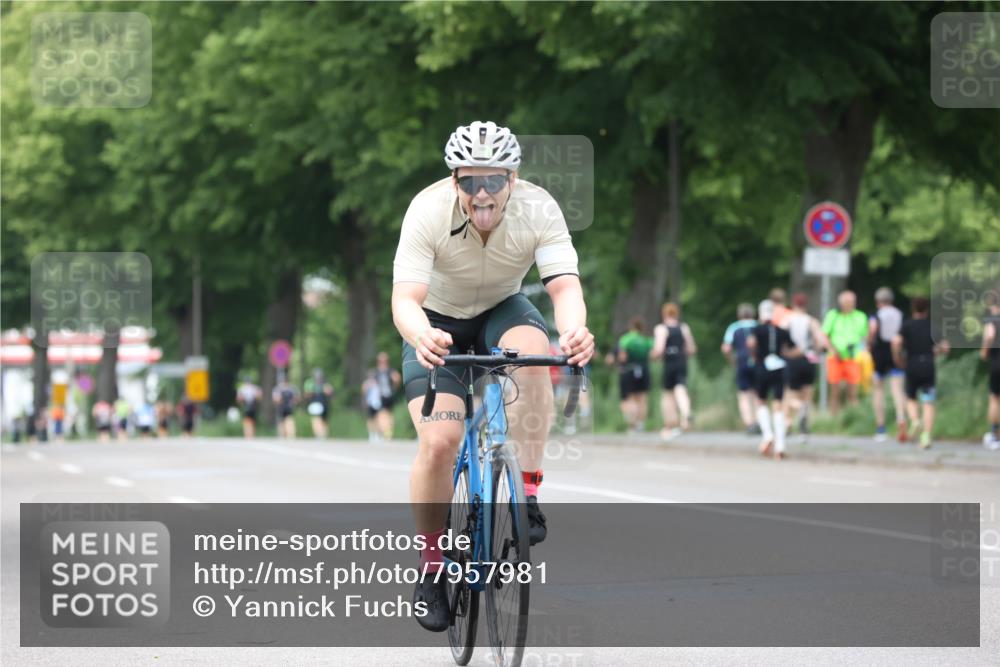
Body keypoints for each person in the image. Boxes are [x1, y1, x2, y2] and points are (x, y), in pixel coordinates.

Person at [392, 120, 593, 632]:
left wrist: (574, 332)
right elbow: (405, 299)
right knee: (440, 441)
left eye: (494, 181)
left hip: (502, 308)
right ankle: (431, 567)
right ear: (454, 180)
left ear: (513, 179)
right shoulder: (427, 210)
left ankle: (527, 493)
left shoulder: (539, 208)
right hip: (435, 321)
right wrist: (421, 335)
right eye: (470, 181)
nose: (482, 193)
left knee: (536, 354)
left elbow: (564, 287)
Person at [892, 296, 949, 449]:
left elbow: (896, 341)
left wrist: (897, 357)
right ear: (927, 309)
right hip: (928, 365)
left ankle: (915, 420)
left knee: (910, 397)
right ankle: (926, 436)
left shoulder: (907, 325)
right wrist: (936, 353)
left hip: (911, 363)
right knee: (928, 402)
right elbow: (945, 347)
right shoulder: (932, 326)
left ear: (913, 309)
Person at [747, 299, 800, 459]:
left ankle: (768, 434)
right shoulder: (781, 331)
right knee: (778, 405)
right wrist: (785, 355)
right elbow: (796, 349)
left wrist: (754, 355)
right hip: (779, 368)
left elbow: (751, 344)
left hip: (762, 367)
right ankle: (780, 445)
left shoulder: (757, 330)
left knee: (761, 401)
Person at [784, 293, 829, 436]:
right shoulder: (812, 321)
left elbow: (781, 340)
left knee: (789, 395)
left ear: (793, 304)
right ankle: (805, 425)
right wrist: (817, 351)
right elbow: (822, 342)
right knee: (807, 395)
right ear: (806, 305)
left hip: (792, 359)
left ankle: (788, 423)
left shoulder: (787, 320)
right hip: (809, 359)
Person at [651, 302, 697, 439]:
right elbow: (691, 349)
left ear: (664, 314)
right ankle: (686, 412)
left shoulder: (661, 328)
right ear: (676, 314)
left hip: (669, 362)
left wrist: (653, 355)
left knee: (667, 394)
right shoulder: (684, 328)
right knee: (681, 388)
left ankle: (670, 423)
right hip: (682, 361)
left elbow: (659, 349)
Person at [868, 287, 907, 442]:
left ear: (878, 301)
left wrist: (869, 343)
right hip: (896, 353)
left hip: (880, 354)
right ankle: (901, 418)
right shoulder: (900, 314)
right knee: (898, 390)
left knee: (878, 390)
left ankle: (881, 428)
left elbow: (872, 329)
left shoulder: (876, 315)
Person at [822, 290, 868, 414]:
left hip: (853, 357)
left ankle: (853, 417)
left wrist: (863, 352)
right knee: (835, 391)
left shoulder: (860, 316)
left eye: (851, 302)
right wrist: (832, 350)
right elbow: (824, 335)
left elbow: (864, 337)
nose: (849, 304)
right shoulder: (833, 315)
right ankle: (834, 417)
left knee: (853, 391)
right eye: (846, 302)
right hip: (835, 357)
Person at [721, 303, 760, 435]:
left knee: (744, 395)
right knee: (758, 394)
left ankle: (749, 423)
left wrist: (732, 360)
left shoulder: (734, 327)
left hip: (741, 362)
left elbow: (726, 348)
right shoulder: (758, 326)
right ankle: (758, 421)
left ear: (739, 315)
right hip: (757, 362)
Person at [616, 317, 654, 433]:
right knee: (642, 398)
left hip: (630, 369)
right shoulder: (647, 340)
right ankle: (641, 424)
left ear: (631, 326)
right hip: (644, 370)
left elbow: (623, 357)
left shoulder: (626, 339)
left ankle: (632, 424)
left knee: (630, 397)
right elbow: (653, 355)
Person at [982, 299, 1000, 450]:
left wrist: (984, 351)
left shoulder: (992, 320)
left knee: (994, 398)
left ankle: (994, 434)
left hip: (996, 363)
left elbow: (989, 335)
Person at [373, 352, 402, 440]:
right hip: (380, 396)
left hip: (389, 395)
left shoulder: (390, 371)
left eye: (384, 361)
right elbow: (373, 384)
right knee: (382, 414)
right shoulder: (376, 372)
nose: (383, 362)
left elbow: (397, 378)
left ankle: (387, 432)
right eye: (381, 361)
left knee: (386, 414)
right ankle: (385, 431)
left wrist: (395, 386)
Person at [305, 368, 334, 439]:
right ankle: (318, 433)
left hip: (324, 404)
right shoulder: (310, 383)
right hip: (315, 403)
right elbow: (307, 394)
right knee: (316, 418)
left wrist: (328, 391)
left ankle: (324, 433)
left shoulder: (325, 384)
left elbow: (330, 393)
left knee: (324, 419)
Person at [362, 370, 384, 443]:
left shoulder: (378, 383)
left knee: (378, 419)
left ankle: (378, 434)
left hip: (377, 403)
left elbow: (380, 393)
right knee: (370, 419)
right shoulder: (367, 383)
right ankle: (371, 434)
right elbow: (364, 391)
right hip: (370, 403)